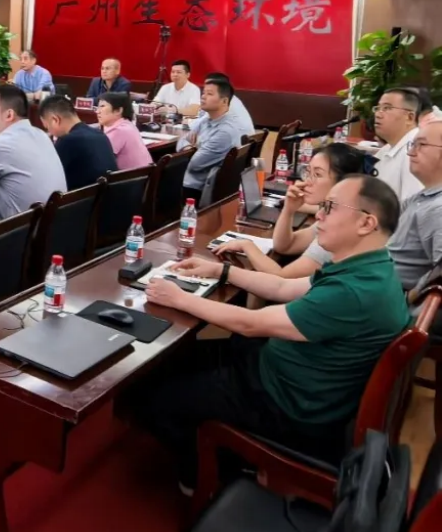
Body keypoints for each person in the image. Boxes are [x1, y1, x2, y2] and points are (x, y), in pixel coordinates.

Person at [131, 175, 409, 491]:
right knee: (178, 357)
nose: (318, 214)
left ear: (366, 223)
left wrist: (179, 298)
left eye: (330, 207)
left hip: (285, 404)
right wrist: (222, 270)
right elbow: (282, 287)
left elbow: (252, 323)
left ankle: (206, 479)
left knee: (155, 400)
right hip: (289, 375)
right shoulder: (370, 267)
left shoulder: (354, 292)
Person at [212, 144, 365, 278]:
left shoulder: (339, 228)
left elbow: (282, 278)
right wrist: (289, 209)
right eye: (308, 172)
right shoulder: (334, 212)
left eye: (317, 175)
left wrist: (247, 245)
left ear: (343, 183)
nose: (307, 181)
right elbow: (286, 246)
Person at [0, 85, 67, 219]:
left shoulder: (2, 145)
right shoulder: (41, 135)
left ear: (9, 115)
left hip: (23, 230)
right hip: (54, 225)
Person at [390, 116, 442, 293]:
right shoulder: (420, 198)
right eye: (412, 145)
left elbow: (439, 275)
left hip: (393, 299)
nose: (411, 152)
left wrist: (408, 300)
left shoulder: (438, 209)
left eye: (421, 145)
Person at [179, 79, 247, 202]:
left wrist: (194, 146)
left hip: (195, 188)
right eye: (203, 93)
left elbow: (194, 164)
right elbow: (182, 140)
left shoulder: (225, 131)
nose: (203, 97)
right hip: (186, 179)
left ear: (224, 101)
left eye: (209, 94)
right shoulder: (206, 119)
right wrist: (190, 147)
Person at [38, 93, 118, 191]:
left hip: (83, 199)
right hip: (109, 197)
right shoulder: (100, 135)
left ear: (55, 120)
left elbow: (47, 177)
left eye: (47, 127)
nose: (49, 132)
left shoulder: (67, 141)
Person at [372, 87, 424, 202]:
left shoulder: (415, 153)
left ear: (409, 117)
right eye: (378, 108)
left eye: (387, 108)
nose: (378, 114)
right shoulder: (386, 149)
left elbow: (414, 206)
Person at [96, 91, 153, 170]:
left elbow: (100, 158)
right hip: (143, 174)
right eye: (97, 107)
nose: (97, 111)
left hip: (134, 176)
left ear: (118, 110)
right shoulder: (127, 124)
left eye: (102, 106)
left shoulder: (119, 131)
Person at [189, 72, 256, 135]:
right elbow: (200, 117)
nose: (204, 94)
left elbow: (196, 125)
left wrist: (190, 125)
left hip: (238, 139)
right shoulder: (228, 98)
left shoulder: (223, 101)